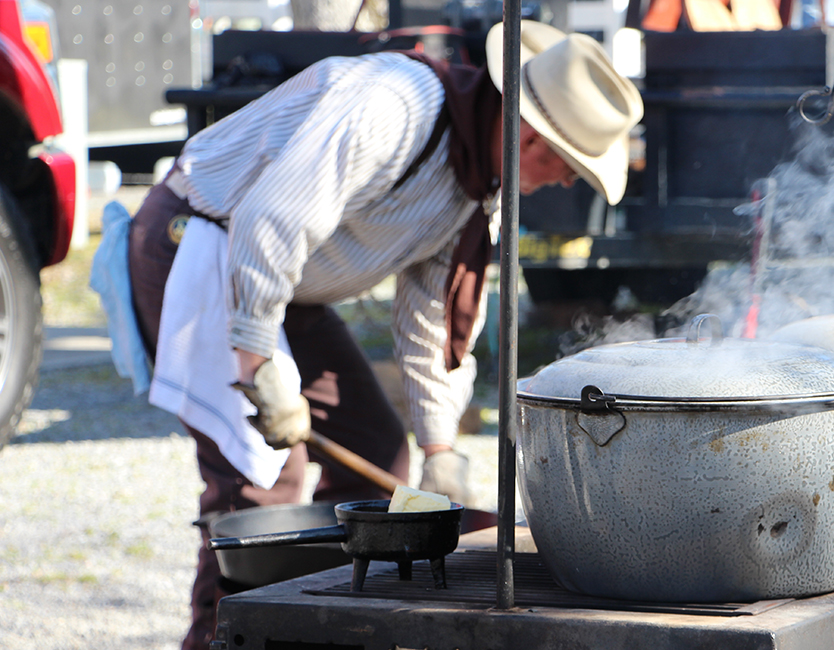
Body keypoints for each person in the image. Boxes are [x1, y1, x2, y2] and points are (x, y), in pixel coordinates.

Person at [121, 21, 642, 650]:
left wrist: (440, 449)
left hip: (291, 288)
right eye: (567, 164)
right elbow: (272, 215)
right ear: (529, 134)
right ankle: (216, 639)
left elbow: (429, 320)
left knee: (382, 470)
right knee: (264, 481)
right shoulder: (394, 106)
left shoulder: (475, 183)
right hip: (201, 248)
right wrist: (258, 360)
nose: (564, 182)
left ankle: (328, 632)